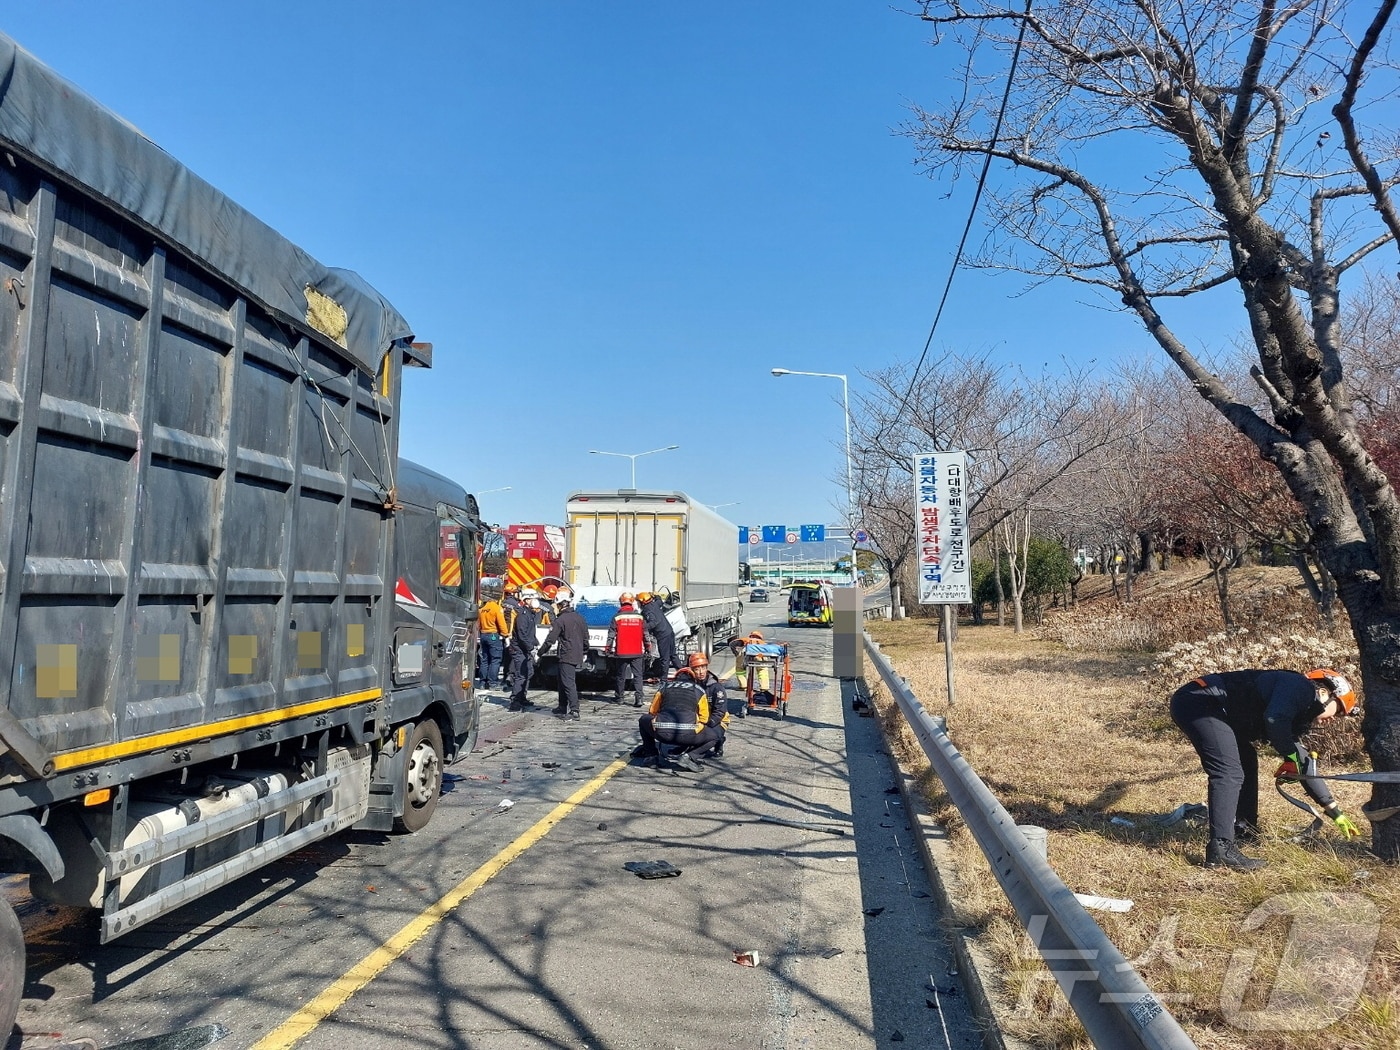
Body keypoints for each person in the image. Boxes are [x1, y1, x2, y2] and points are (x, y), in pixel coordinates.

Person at [1169, 667, 1362, 870]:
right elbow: (1274, 719)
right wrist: (1289, 755)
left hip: (1211, 708)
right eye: (1339, 711)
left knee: (1247, 760)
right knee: (1228, 772)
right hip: (1200, 701)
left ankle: (1245, 830)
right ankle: (1221, 849)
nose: (1333, 719)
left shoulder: (1295, 705)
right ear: (1326, 693)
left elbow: (1303, 764)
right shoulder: (1301, 687)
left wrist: (1334, 811)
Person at [636, 656, 724, 773]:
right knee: (714, 736)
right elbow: (704, 718)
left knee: (643, 720)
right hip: (689, 734)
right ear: (693, 677)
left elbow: (652, 711)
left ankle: (651, 756)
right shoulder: (699, 690)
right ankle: (690, 756)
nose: (701, 671)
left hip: (663, 733)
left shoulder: (664, 687)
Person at [539, 592, 589, 720]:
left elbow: (550, 640)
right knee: (562, 681)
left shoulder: (560, 620)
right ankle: (562, 706)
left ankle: (574, 710)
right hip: (576, 653)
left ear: (560, 605)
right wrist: (584, 652)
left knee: (568, 682)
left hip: (566, 654)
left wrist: (540, 652)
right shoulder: (580, 618)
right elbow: (585, 638)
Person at [608, 592, 648, 707]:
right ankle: (639, 698)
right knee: (638, 676)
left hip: (622, 652)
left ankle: (620, 697)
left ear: (621, 602)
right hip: (637, 652)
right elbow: (645, 635)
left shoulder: (617, 617)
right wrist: (648, 648)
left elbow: (611, 635)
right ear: (632, 602)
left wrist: (608, 649)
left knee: (620, 676)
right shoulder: (640, 617)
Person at [505, 589, 542, 712]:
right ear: (526, 600)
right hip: (519, 649)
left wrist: (535, 643)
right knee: (521, 675)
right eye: (532, 598)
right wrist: (530, 647)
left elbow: (530, 633)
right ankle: (515, 701)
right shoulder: (523, 615)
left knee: (528, 673)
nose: (535, 601)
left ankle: (522, 697)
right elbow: (522, 635)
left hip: (525, 649)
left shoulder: (531, 614)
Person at [638, 591, 678, 679]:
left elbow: (653, 622)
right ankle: (683, 673)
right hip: (669, 631)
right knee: (673, 655)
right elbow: (660, 600)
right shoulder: (655, 604)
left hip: (662, 634)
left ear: (642, 602)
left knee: (665, 658)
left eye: (638, 602)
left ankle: (664, 679)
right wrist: (655, 595)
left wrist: (641, 627)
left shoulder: (647, 610)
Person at [475, 586, 509, 692]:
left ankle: (482, 682)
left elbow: (478, 624)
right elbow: (502, 624)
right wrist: (505, 635)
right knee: (495, 659)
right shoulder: (496, 608)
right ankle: (493, 683)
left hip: (483, 635)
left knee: (484, 659)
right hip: (493, 635)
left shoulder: (481, 608)